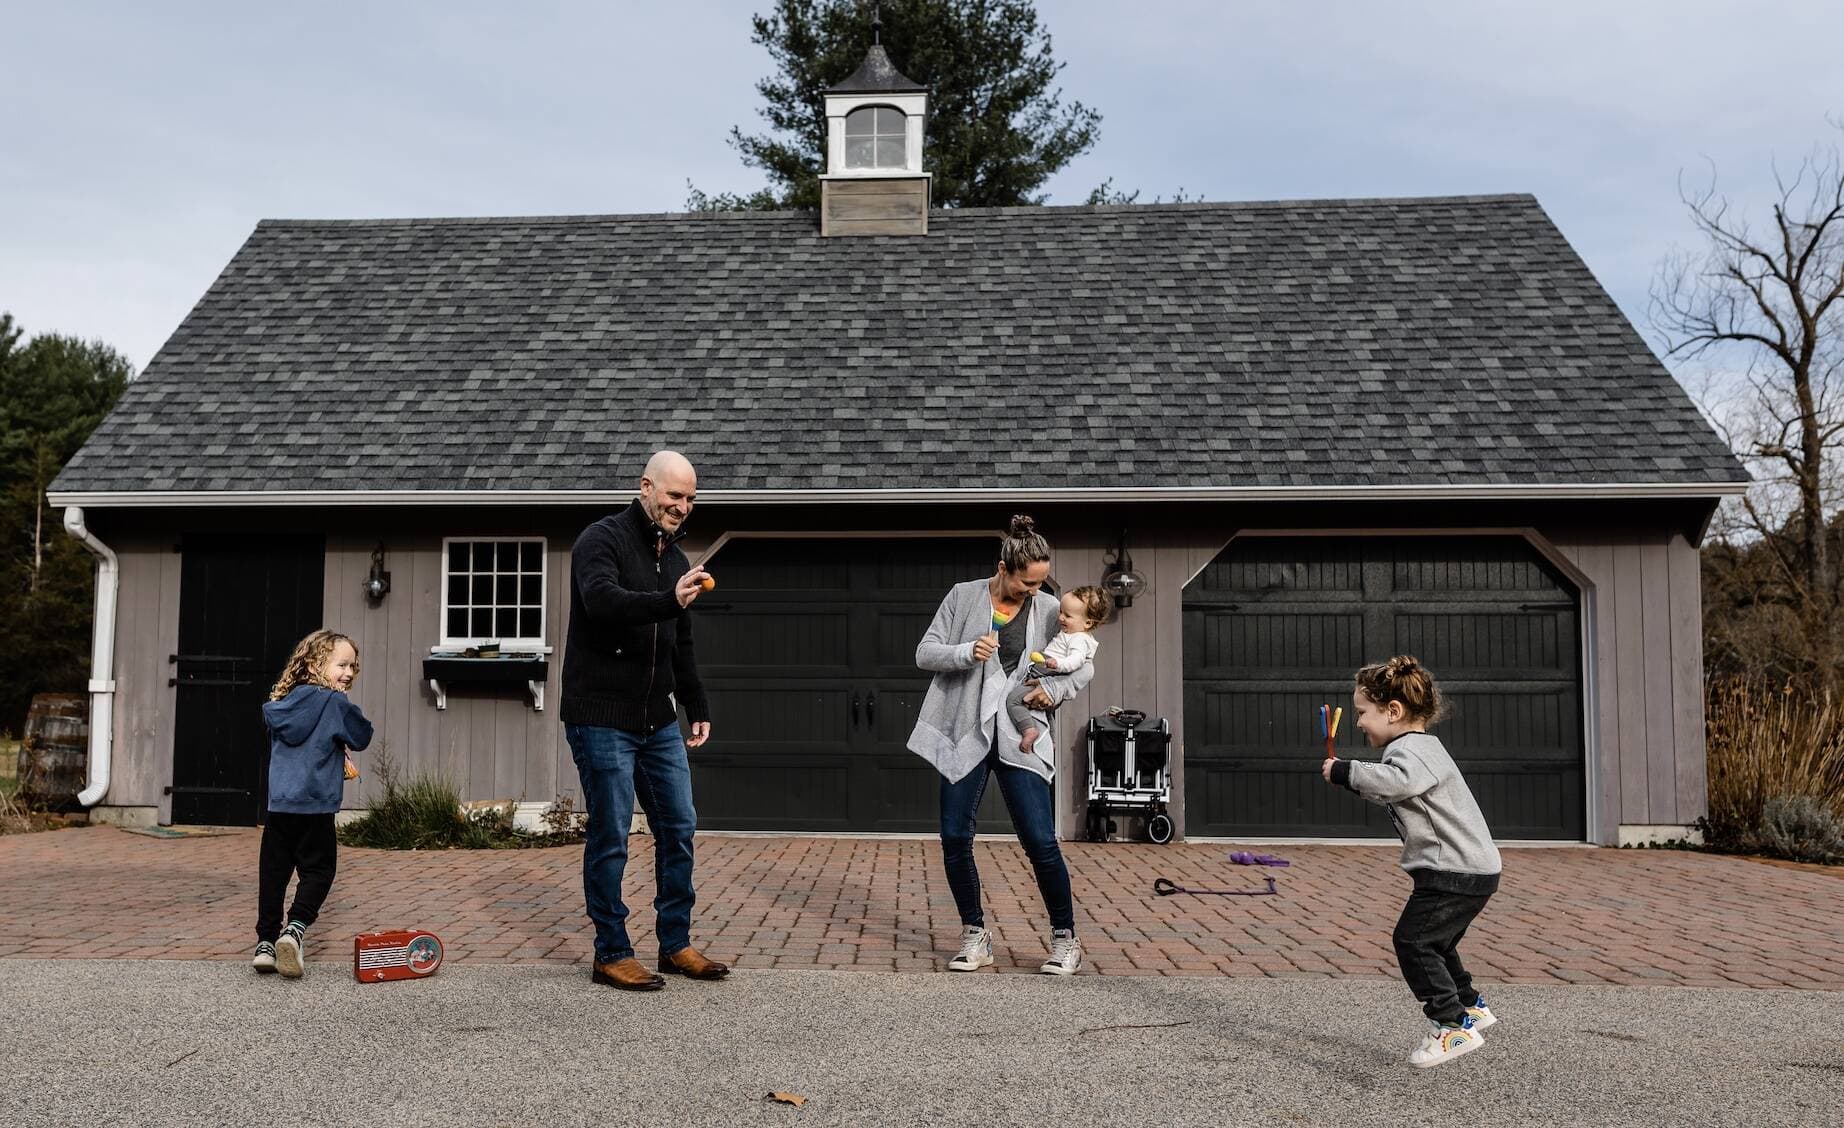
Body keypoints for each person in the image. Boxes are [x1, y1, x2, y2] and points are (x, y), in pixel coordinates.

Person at [561, 450, 726, 992]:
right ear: (646, 488)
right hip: (601, 716)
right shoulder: (600, 540)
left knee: (678, 826)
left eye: (691, 498)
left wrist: (695, 703)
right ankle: (611, 951)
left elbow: (680, 641)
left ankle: (675, 943)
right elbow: (603, 602)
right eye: (675, 495)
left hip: (656, 721)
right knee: (611, 833)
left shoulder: (676, 562)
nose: (683, 506)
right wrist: (665, 600)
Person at [908, 515, 1096, 975]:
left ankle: (1065, 938)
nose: (1034, 591)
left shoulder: (1051, 608)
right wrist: (964, 651)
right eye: (1026, 583)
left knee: (1038, 840)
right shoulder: (962, 596)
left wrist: (1051, 694)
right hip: (965, 732)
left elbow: (1084, 665)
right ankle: (975, 935)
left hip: (1021, 736)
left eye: (1039, 583)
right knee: (955, 837)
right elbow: (924, 652)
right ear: (1003, 568)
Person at [1321, 655, 1502, 1068]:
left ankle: (1453, 1026)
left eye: (1363, 713)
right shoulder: (1422, 748)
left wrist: (1346, 771)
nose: (1360, 722)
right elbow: (1395, 790)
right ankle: (1470, 1005)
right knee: (1438, 942)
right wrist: (1348, 778)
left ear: (1394, 711)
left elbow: (1398, 782)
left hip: (1452, 871)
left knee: (1413, 941)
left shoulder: (1410, 751)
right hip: (1473, 869)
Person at [254, 629, 373, 979]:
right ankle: (294, 930)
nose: (349, 673)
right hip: (317, 808)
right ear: (317, 663)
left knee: (273, 874)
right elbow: (362, 736)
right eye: (342, 665)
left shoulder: (283, 703)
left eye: (353, 666)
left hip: (280, 807)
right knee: (319, 872)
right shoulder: (335, 703)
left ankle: (264, 943)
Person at [1006, 585, 1110, 753]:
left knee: (1013, 700)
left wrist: (1057, 664)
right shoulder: (1072, 634)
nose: (1060, 617)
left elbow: (1077, 661)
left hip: (1049, 672)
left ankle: (1028, 730)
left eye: (1067, 615)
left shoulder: (1079, 639)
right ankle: (1051, 741)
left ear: (1088, 623)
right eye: (1061, 611)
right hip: (1046, 671)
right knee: (1046, 713)